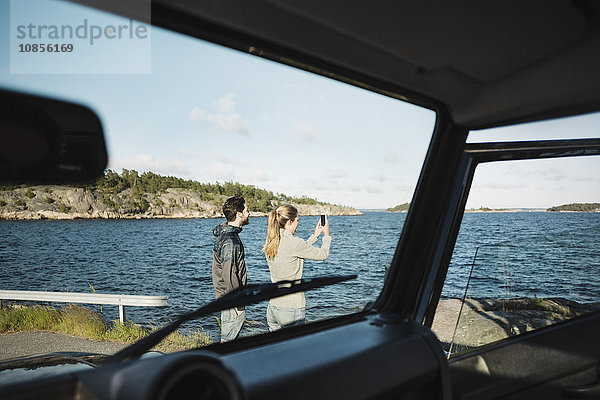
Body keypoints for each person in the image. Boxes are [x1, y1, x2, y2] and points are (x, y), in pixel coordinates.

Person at [262, 205, 331, 331]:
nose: (298, 224)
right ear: (289, 222)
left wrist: (315, 236)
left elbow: (297, 250)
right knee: (294, 348)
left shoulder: (271, 242)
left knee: (277, 348)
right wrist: (326, 236)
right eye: (297, 221)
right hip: (291, 309)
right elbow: (323, 255)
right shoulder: (293, 243)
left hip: (273, 308)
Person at [212, 195, 249, 342]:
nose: (249, 213)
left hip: (227, 300)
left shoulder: (226, 235)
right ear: (239, 214)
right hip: (231, 303)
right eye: (246, 210)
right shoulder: (230, 242)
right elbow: (229, 276)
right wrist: (239, 306)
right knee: (228, 343)